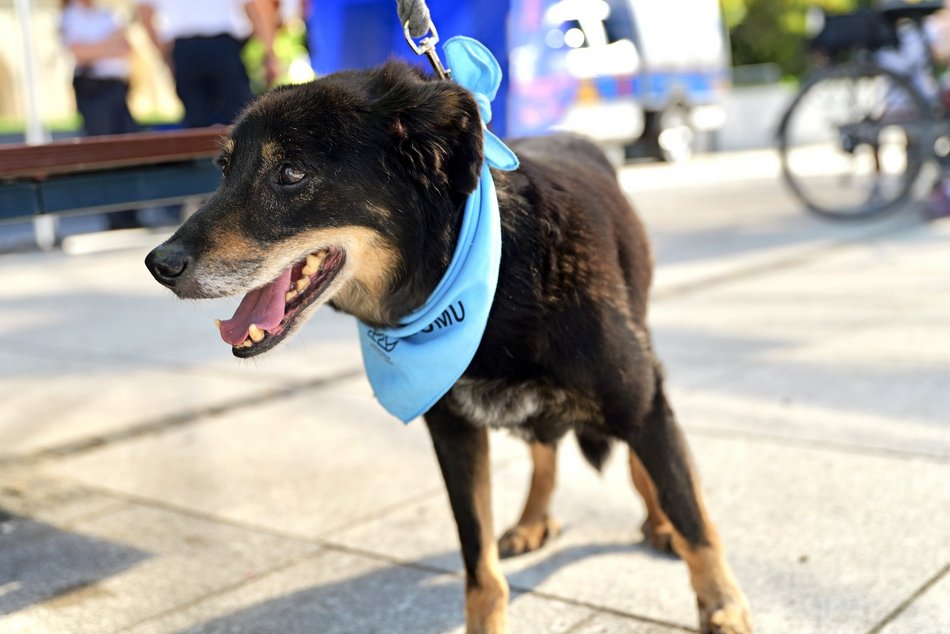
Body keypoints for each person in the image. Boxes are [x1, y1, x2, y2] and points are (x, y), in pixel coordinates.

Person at [60, 0, 141, 230]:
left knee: (127, 150)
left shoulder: (106, 16)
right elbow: (81, 53)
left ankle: (130, 215)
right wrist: (110, 42)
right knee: (105, 152)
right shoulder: (71, 15)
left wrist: (100, 47)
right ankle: (115, 217)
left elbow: (126, 49)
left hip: (117, 87)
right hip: (93, 88)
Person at [135, 0, 278, 128]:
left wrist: (164, 55)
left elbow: (144, 13)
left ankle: (203, 157)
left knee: (197, 120)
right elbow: (256, 7)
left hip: (185, 50)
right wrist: (269, 54)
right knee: (239, 117)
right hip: (222, 48)